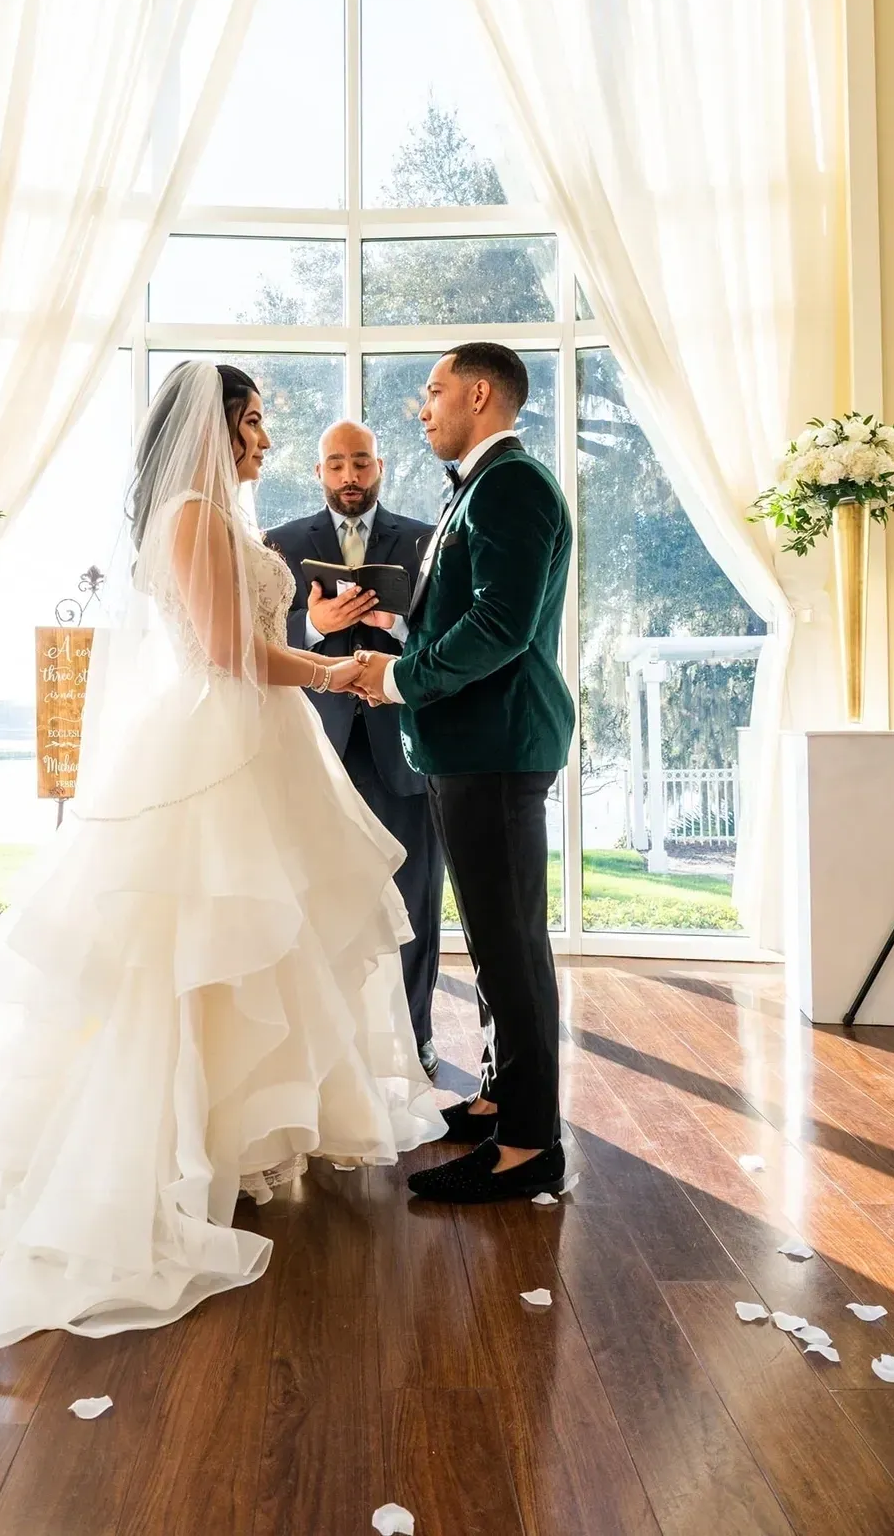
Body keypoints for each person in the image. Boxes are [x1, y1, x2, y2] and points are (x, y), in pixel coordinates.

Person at [0, 361, 443, 1378]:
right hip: (220, 747)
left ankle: (238, 1134)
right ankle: (177, 1143)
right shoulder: (192, 517)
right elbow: (228, 653)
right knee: (200, 946)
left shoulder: (210, 515)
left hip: (255, 744)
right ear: (212, 429)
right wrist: (339, 669)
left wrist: (315, 636)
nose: (263, 443)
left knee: (267, 944)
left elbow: (251, 633)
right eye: (252, 425)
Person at [352, 342, 574, 1205]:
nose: (423, 406)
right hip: (469, 746)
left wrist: (401, 677)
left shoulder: (512, 483)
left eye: (434, 390)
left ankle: (528, 1145)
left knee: (512, 948)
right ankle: (497, 1097)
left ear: (480, 394)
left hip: (496, 744)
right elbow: (463, 611)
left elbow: (500, 625)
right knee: (490, 942)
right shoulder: (485, 485)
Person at [265, 422, 445, 1079]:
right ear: (318, 471)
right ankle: (324, 1052)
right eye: (337, 463)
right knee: (312, 905)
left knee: (415, 900)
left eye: (361, 462)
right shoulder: (280, 544)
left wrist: (394, 625)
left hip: (400, 750)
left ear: (381, 466)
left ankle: (415, 1039)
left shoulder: (427, 541)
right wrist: (317, 625)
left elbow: (451, 636)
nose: (350, 476)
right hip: (312, 752)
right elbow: (251, 636)